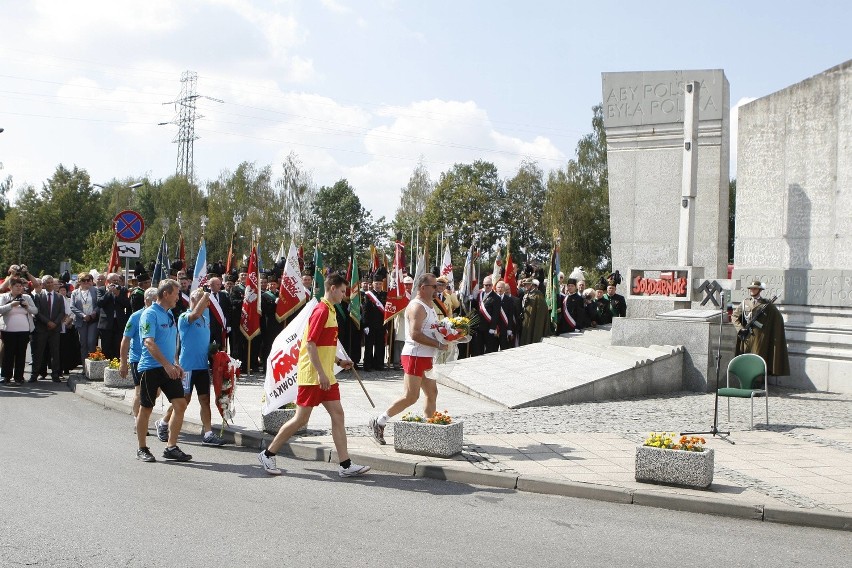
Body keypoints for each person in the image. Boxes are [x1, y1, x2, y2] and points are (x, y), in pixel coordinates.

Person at [257, 274, 370, 478]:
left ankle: (345, 464)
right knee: (300, 419)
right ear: (333, 288)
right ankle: (267, 453)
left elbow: (324, 344)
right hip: (314, 376)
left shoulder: (331, 310)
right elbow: (309, 343)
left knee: (338, 414)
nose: (345, 295)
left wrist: (338, 362)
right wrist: (320, 373)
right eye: (343, 291)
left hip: (325, 375)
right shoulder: (321, 310)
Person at [369, 273, 449, 445]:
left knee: (432, 393)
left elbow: (432, 328)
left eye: (437, 286)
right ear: (423, 288)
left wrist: (448, 334)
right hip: (415, 355)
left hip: (426, 356)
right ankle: (380, 421)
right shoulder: (417, 306)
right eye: (434, 286)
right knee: (411, 396)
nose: (437, 289)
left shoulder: (430, 305)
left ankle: (430, 429)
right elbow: (415, 334)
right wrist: (438, 344)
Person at [155, 287, 226, 446]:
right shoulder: (184, 317)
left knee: (205, 400)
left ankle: (208, 434)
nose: (207, 304)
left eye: (207, 302)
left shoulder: (206, 316)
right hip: (187, 368)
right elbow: (195, 314)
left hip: (201, 367)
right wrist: (206, 294)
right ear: (193, 301)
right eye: (203, 300)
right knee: (183, 400)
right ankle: (164, 422)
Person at [134, 279, 192, 463]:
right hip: (150, 368)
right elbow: (149, 342)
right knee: (146, 408)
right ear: (165, 294)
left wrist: (175, 363)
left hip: (168, 367)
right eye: (176, 294)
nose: (178, 298)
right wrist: (166, 365)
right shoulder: (150, 314)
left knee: (180, 404)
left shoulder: (169, 314)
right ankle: (142, 448)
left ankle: (171, 447)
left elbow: (170, 342)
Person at [732, 281, 790, 377]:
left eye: (754, 288)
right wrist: (740, 328)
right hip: (746, 336)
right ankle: (745, 380)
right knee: (746, 358)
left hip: (760, 337)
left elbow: (778, 319)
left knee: (757, 358)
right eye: (751, 288)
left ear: (759, 290)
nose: (752, 290)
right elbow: (734, 316)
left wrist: (770, 331)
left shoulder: (766, 304)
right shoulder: (745, 302)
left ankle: (757, 382)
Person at [120, 286, 157, 424]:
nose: (156, 302)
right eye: (153, 300)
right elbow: (125, 340)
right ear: (146, 300)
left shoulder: (159, 314)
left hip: (155, 360)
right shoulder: (135, 317)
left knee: (155, 392)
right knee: (140, 391)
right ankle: (138, 420)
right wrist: (123, 362)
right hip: (138, 359)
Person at [0, 277, 38, 384]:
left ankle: (19, 377)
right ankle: (6, 376)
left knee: (21, 354)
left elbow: (35, 311)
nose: (19, 288)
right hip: (8, 330)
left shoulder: (26, 297)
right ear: (10, 287)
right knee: (8, 354)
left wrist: (27, 306)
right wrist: (11, 305)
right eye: (16, 286)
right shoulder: (4, 297)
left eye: (20, 286)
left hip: (24, 330)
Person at [30, 275, 64, 382]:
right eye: (47, 283)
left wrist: (55, 323)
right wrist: (48, 322)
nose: (50, 284)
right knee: (38, 353)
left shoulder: (59, 297)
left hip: (55, 329)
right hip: (42, 328)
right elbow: (37, 312)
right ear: (43, 284)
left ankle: (55, 375)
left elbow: (62, 312)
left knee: (55, 353)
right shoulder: (39, 296)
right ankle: (34, 374)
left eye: (51, 282)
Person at [97, 272, 130, 360]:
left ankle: (116, 367)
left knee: (117, 347)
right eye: (114, 280)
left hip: (118, 323)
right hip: (106, 323)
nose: (116, 283)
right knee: (106, 348)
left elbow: (127, 304)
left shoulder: (123, 290)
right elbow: (99, 303)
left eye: (117, 281)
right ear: (108, 281)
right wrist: (108, 293)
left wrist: (118, 295)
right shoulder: (101, 289)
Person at [71, 273, 100, 361]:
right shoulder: (75, 293)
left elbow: (99, 304)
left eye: (88, 280)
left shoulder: (95, 290)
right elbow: (72, 306)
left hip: (93, 320)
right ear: (79, 281)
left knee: (91, 342)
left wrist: (94, 312)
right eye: (84, 280)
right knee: (83, 344)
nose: (86, 282)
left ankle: (92, 364)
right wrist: (83, 315)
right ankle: (85, 367)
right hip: (81, 320)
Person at [361, 274, 387, 371]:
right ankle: (367, 365)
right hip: (370, 324)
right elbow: (365, 311)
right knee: (369, 346)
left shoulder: (385, 295)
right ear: (372, 284)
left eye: (380, 284)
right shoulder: (368, 295)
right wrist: (365, 325)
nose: (378, 285)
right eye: (376, 283)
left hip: (381, 324)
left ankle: (379, 364)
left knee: (380, 345)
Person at [520, 278, 549, 345]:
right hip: (526, 319)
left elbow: (541, 310)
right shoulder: (527, 294)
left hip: (534, 319)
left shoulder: (538, 294)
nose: (525, 286)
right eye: (525, 285)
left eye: (527, 285)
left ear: (532, 285)